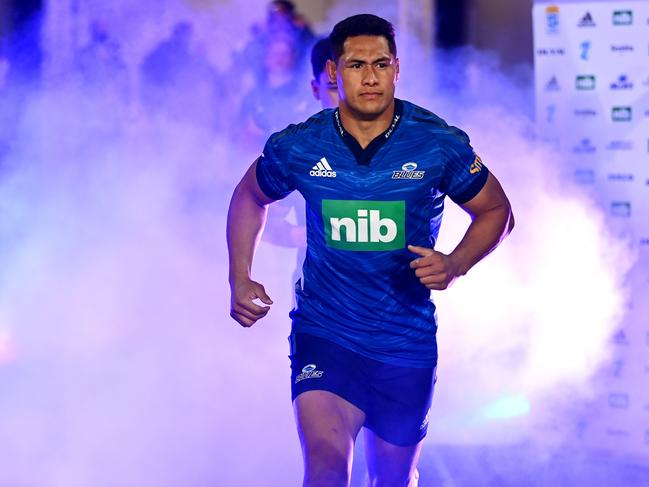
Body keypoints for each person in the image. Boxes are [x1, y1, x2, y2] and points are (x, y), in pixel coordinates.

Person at [227, 14, 514, 487]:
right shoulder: (300, 145)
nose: (371, 76)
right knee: (324, 468)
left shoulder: (436, 142)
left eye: (381, 64)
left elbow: (497, 211)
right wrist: (240, 274)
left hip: (405, 343)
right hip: (325, 332)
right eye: (357, 64)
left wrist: (456, 263)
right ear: (334, 73)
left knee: (392, 480)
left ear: (396, 69)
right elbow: (248, 196)